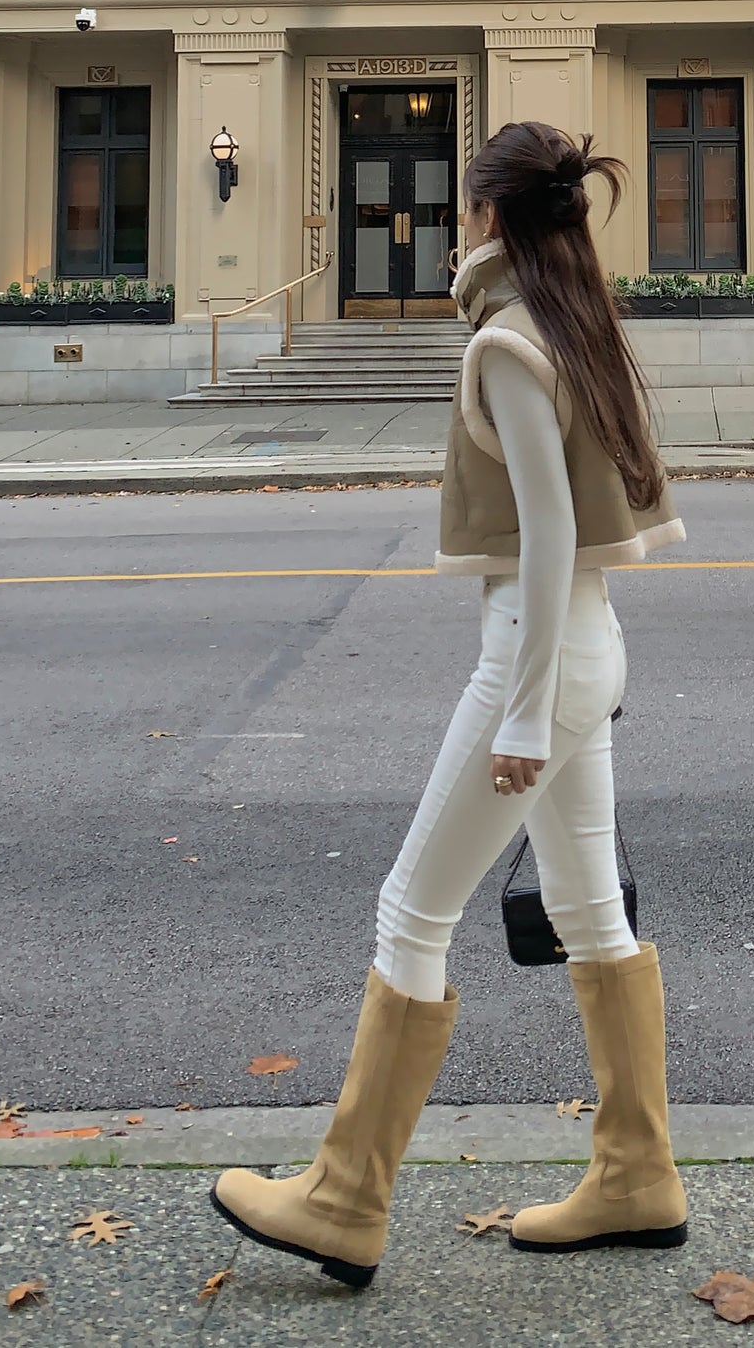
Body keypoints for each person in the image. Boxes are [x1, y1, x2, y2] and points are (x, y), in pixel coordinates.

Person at [210, 120, 690, 1287]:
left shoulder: (507, 345)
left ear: (484, 217)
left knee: (410, 915)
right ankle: (635, 1177)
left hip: (537, 656)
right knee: (588, 915)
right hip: (586, 648)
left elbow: (549, 533)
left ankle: (341, 1199)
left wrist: (523, 712)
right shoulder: (574, 324)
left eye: (461, 210)